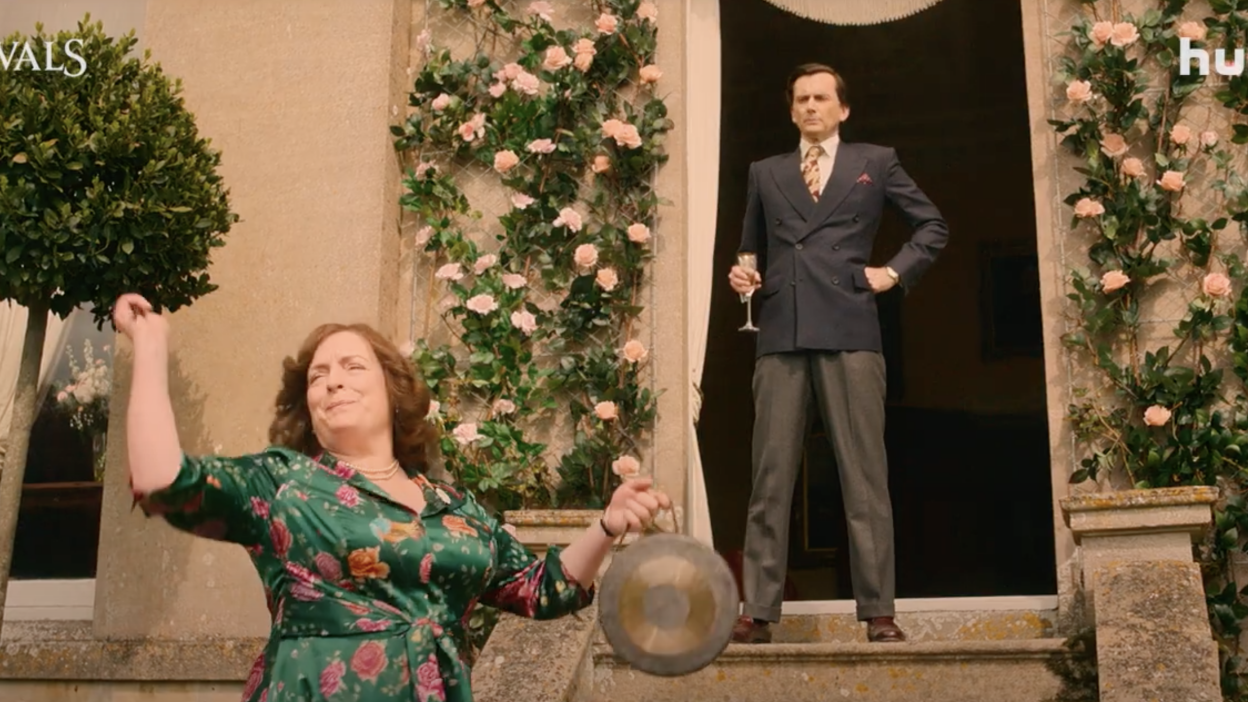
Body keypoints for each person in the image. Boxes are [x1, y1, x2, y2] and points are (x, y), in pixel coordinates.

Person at [113, 292, 671, 701]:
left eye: (352, 367)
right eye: (317, 376)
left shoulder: (455, 509)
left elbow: (541, 589)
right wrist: (152, 347)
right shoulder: (284, 483)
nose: (331, 381)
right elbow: (164, 480)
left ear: (391, 388)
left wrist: (605, 526)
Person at [727, 63, 948, 644]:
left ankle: (879, 611)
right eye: (801, 99)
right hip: (780, 333)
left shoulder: (876, 161)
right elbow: (750, 248)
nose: (810, 107)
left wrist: (892, 273)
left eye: (821, 98)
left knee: (864, 478)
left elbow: (931, 226)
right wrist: (743, 276)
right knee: (769, 480)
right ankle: (759, 610)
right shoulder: (765, 172)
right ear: (791, 109)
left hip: (850, 330)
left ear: (842, 109)